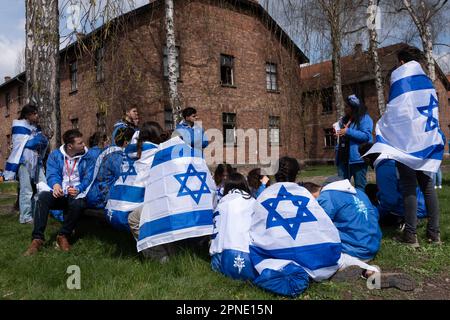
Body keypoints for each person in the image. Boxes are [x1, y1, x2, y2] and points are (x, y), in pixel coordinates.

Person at [364, 47, 445, 247]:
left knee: (408, 187)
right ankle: (434, 234)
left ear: (401, 62)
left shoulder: (402, 82)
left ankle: (411, 235)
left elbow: (397, 113)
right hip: (427, 141)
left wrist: (384, 128)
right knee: (427, 188)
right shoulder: (427, 82)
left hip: (407, 144)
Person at [303, 178, 415, 291]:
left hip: (353, 250)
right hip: (372, 246)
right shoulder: (359, 193)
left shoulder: (326, 196)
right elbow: (375, 215)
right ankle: (368, 272)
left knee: (317, 251)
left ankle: (365, 269)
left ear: (312, 195)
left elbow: (318, 227)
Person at [23, 129, 92, 256]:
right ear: (70, 146)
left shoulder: (88, 157)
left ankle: (63, 235)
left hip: (77, 193)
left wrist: (79, 188)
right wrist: (56, 186)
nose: (84, 145)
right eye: (80, 143)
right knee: (43, 197)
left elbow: (89, 177)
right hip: (60, 192)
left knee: (78, 203)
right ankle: (37, 239)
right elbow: (52, 173)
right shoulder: (55, 155)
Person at [359, 143, 427, 226]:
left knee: (375, 219)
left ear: (367, 158)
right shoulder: (390, 160)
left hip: (413, 210)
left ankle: (404, 220)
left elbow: (390, 201)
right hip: (420, 203)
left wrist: (374, 215)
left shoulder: (384, 169)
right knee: (370, 188)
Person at [4, 104, 48, 224]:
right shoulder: (19, 125)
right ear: (28, 115)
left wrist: (44, 141)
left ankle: (38, 212)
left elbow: (40, 143)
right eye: (35, 113)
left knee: (43, 187)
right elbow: (20, 144)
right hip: (24, 162)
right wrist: (34, 141)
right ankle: (25, 217)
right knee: (26, 190)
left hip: (36, 162)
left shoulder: (37, 127)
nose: (37, 115)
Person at [210, 172, 258, 281]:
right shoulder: (252, 202)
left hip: (218, 261)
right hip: (247, 258)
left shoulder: (221, 204)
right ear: (245, 185)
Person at [85, 127, 135, 209]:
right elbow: (125, 179)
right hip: (101, 198)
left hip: (96, 194)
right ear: (126, 142)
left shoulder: (109, 151)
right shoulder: (118, 157)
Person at [335, 94, 373, 190]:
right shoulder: (344, 120)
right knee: (342, 188)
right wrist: (339, 134)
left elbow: (366, 136)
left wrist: (347, 131)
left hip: (357, 159)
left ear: (354, 107)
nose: (345, 109)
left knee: (360, 187)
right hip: (343, 158)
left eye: (347, 107)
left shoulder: (364, 118)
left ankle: (361, 204)